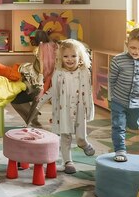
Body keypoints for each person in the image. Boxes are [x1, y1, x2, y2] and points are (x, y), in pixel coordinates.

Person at [34, 39, 96, 174]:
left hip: (79, 109)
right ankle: (68, 161)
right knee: (65, 136)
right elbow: (53, 91)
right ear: (60, 58)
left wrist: (88, 108)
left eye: (73, 56)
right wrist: (40, 102)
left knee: (80, 137)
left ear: (80, 57)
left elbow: (88, 93)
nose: (70, 59)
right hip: (64, 110)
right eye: (66, 56)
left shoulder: (84, 72)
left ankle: (84, 144)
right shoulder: (58, 73)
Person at [108, 28, 139, 162]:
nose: (136, 52)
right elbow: (112, 80)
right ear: (126, 44)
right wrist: (111, 98)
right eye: (133, 47)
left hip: (137, 101)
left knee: (133, 124)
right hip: (118, 99)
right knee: (118, 125)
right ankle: (120, 150)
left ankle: (131, 121)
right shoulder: (118, 60)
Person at [10, 29, 58, 126]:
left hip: (37, 79)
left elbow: (41, 62)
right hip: (47, 80)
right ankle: (33, 117)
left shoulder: (40, 47)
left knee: (16, 99)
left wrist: (40, 76)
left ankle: (32, 117)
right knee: (36, 100)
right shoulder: (54, 46)